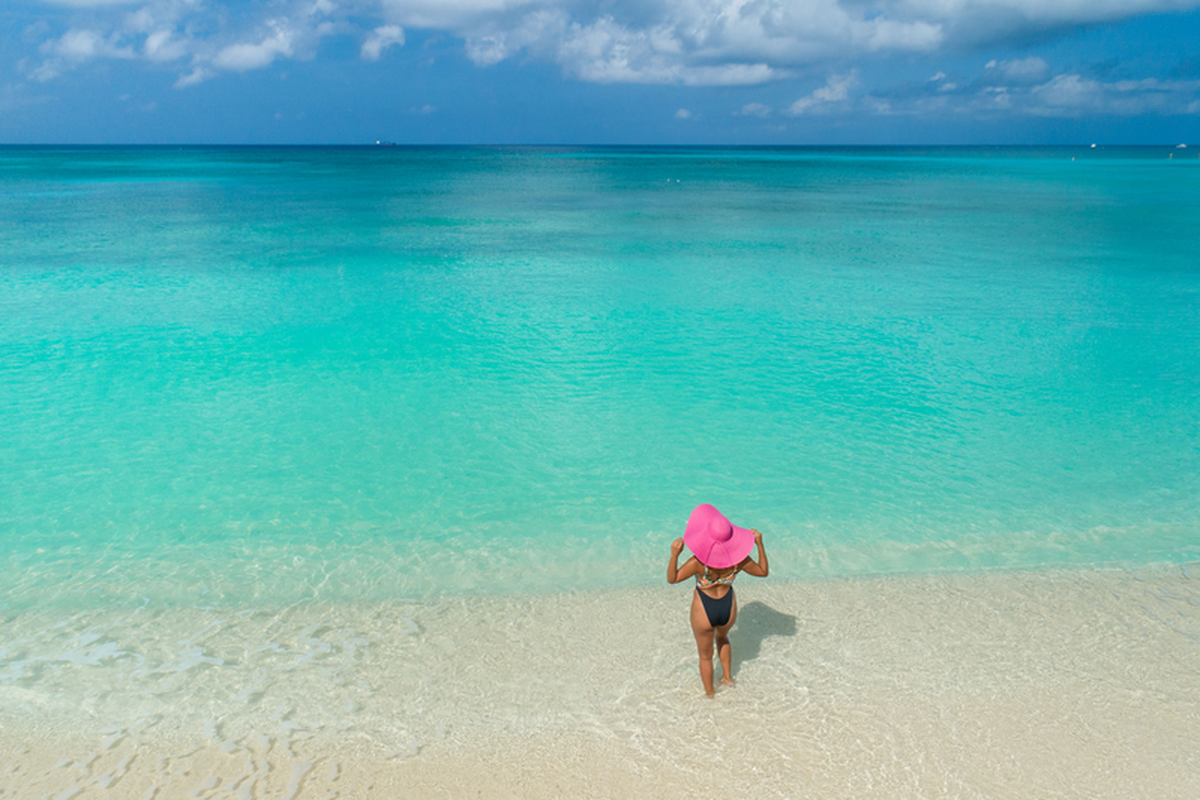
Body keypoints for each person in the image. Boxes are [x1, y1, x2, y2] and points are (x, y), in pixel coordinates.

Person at [666, 504, 769, 697]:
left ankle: (710, 694)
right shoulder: (739, 560)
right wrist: (759, 544)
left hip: (704, 610)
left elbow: (672, 579)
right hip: (727, 607)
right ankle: (728, 678)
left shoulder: (698, 563)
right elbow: (763, 572)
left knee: (705, 656)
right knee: (723, 638)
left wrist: (674, 554)